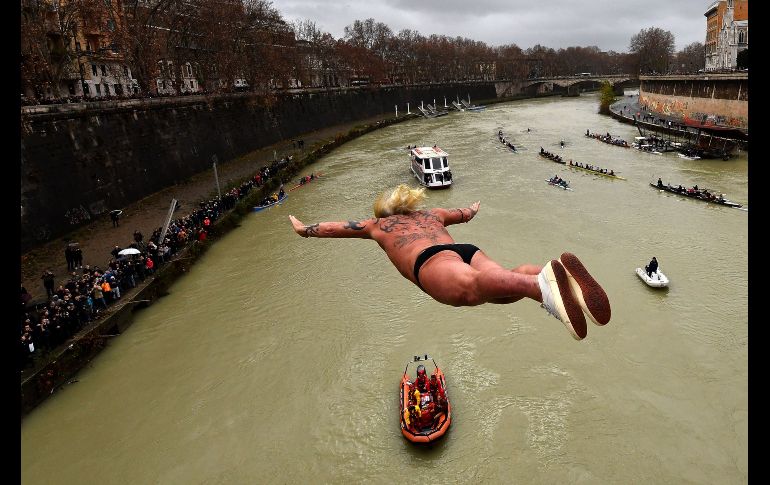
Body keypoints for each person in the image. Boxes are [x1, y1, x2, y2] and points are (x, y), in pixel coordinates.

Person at [289, 184, 611, 340]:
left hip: (430, 261)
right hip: (465, 250)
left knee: (472, 289)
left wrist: (305, 230)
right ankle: (550, 277)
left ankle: (541, 286)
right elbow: (464, 214)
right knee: (501, 286)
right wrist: (473, 208)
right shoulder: (432, 213)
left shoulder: (377, 225)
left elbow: (335, 228)